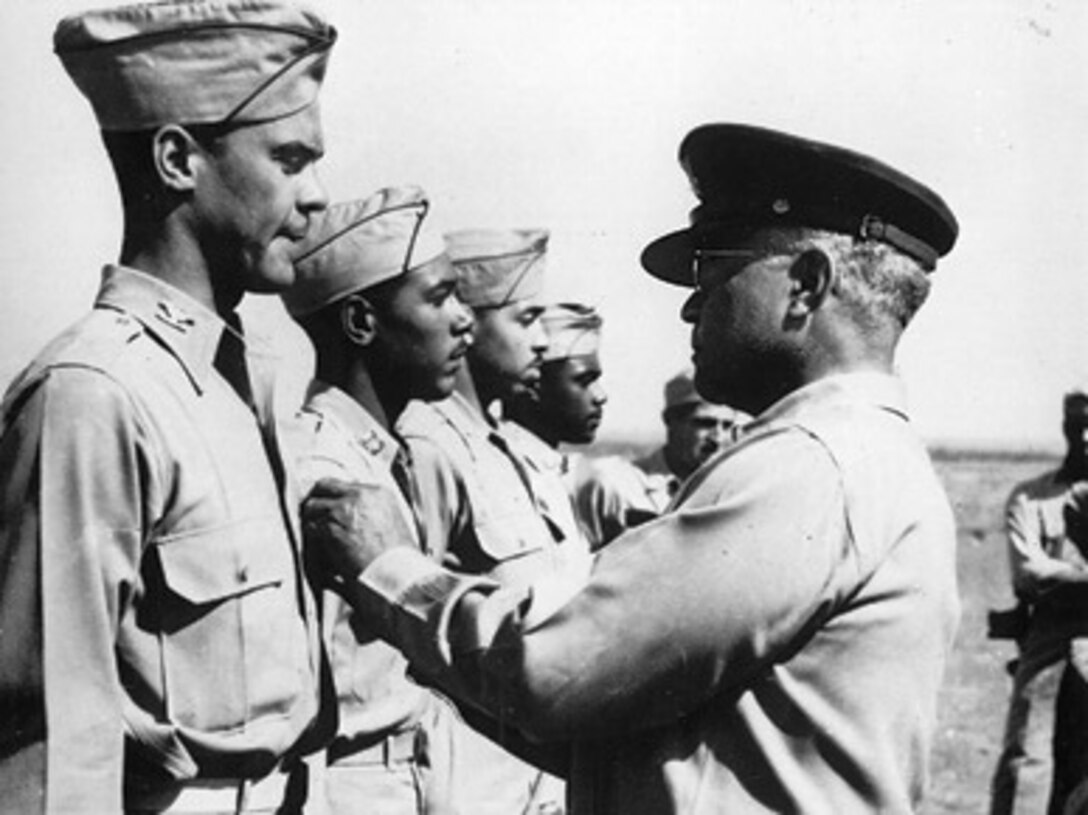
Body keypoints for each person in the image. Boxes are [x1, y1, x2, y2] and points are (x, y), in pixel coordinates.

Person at [303, 122, 961, 813]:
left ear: (805, 284)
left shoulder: (811, 467)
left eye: (713, 270)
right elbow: (622, 723)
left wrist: (389, 566)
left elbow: (556, 669)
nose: (692, 301)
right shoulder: (861, 454)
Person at [0, 3, 337, 812]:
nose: (318, 197)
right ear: (179, 158)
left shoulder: (233, 376)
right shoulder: (93, 393)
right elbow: (52, 755)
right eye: (290, 160)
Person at [281, 187, 476, 814]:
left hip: (418, 769)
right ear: (362, 322)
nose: (464, 318)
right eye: (440, 297)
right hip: (350, 785)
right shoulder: (320, 468)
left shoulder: (391, 457)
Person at [394, 229, 582, 814]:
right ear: (470, 322)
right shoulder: (429, 445)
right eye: (526, 320)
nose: (545, 343)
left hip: (542, 782)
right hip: (477, 785)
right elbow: (401, 621)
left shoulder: (514, 452)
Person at [990, 388, 1088, 815]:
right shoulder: (1030, 498)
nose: (1086, 438)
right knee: (1026, 754)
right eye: (1077, 427)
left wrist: (1062, 574)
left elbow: (1047, 571)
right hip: (1047, 637)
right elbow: (1029, 573)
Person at [573, 367, 746, 550]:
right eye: (704, 423)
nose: (718, 438)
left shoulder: (735, 491)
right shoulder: (617, 485)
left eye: (727, 426)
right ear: (670, 421)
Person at [502, 302, 607, 545]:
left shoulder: (553, 472)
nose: (600, 396)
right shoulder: (501, 471)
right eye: (583, 381)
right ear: (535, 385)